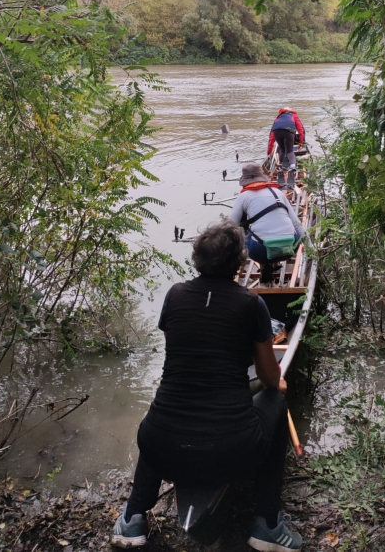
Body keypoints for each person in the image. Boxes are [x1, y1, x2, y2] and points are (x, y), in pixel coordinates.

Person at [111, 220, 303, 552]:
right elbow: (270, 377)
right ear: (240, 261)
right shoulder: (251, 304)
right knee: (275, 399)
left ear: (197, 258)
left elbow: (181, 359)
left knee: (162, 415)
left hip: (163, 447)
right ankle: (268, 525)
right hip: (233, 451)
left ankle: (132, 520)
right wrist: (276, 384)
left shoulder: (175, 295)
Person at [229, 163, 305, 283]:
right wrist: (311, 248)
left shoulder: (243, 197)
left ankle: (264, 265)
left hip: (260, 252)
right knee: (282, 226)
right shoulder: (278, 192)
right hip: (290, 248)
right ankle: (275, 263)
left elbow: (231, 227)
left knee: (246, 232)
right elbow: (297, 225)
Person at [266, 107, 306, 174]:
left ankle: (283, 167)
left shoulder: (278, 118)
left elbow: (271, 137)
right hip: (290, 130)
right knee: (290, 150)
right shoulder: (294, 115)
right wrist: (301, 143)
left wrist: (269, 151)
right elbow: (301, 130)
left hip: (277, 131)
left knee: (282, 149)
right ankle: (293, 166)